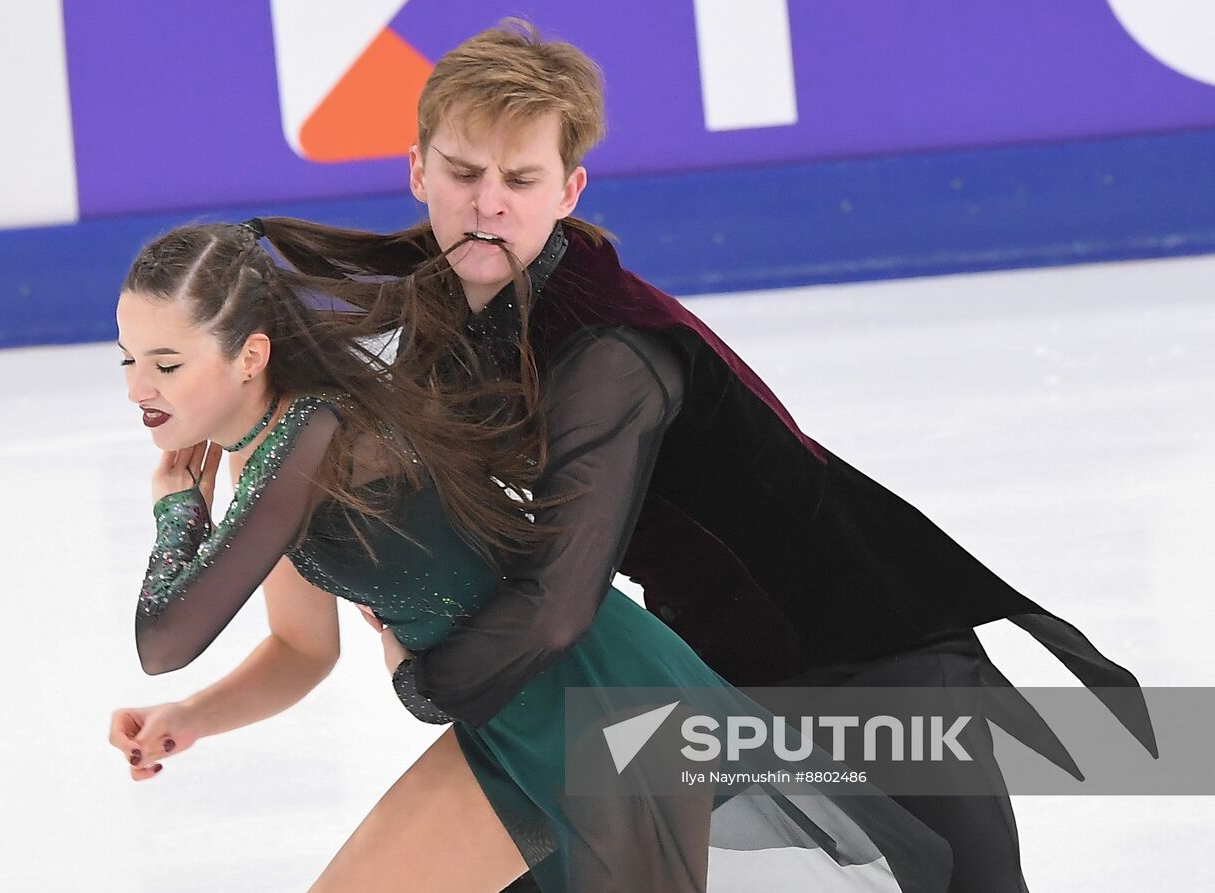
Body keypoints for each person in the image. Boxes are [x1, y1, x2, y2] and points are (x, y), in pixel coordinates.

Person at [251, 20, 1158, 893]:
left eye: (519, 179)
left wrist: (427, 681)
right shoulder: (452, 305)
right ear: (418, 171)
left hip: (876, 650)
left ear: (567, 192)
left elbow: (558, 603)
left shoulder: (610, 353)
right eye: (464, 172)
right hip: (718, 660)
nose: (488, 201)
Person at [107, 220, 956, 891]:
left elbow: (164, 637)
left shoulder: (309, 436)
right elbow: (301, 647)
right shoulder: (273, 453)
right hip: (516, 715)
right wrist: (193, 717)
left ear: (249, 354)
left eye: (167, 362)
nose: (140, 389)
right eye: (130, 360)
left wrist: (177, 513)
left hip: (592, 702)